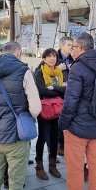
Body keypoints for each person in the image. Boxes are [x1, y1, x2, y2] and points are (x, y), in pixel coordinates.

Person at [0, 42, 42, 190]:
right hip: (16, 136)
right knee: (16, 181)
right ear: (19, 52)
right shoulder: (23, 71)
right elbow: (36, 108)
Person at [59, 33, 96, 190]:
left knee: (75, 169)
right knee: (95, 167)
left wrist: (63, 124)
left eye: (75, 47)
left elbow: (71, 101)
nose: (74, 50)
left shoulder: (78, 67)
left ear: (81, 47)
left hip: (77, 127)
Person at [34, 48, 66, 180]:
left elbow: (66, 89)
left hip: (57, 109)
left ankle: (52, 165)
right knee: (42, 137)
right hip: (44, 109)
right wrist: (59, 90)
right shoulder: (39, 72)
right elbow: (42, 91)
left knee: (54, 136)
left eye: (54, 56)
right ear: (44, 58)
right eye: (49, 56)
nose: (52, 58)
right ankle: (39, 166)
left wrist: (54, 89)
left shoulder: (59, 71)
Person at [55, 36, 74, 155]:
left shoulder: (73, 60)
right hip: (57, 95)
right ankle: (57, 147)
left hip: (69, 95)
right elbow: (42, 73)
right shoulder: (53, 57)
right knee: (57, 123)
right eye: (69, 45)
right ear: (61, 46)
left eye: (72, 45)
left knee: (66, 121)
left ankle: (63, 145)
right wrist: (58, 69)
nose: (71, 47)